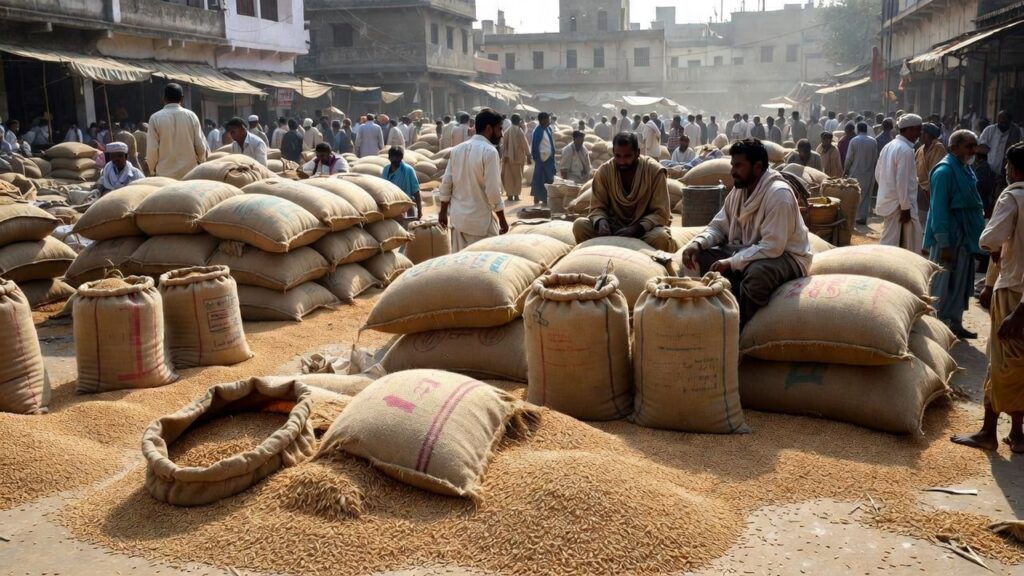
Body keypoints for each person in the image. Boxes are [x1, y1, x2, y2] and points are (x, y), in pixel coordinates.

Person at [681, 139, 812, 325]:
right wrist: (698, 243)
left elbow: (772, 247)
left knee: (757, 274)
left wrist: (731, 262)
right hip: (746, 250)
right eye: (732, 165)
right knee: (698, 257)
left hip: (786, 256)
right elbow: (718, 226)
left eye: (739, 166)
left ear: (758, 167)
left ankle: (739, 329)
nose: (732, 171)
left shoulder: (778, 195)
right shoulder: (738, 191)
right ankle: (706, 316)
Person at [951, 142, 1024, 453]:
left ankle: (988, 431)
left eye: (1008, 167)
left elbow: (988, 238)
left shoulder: (1014, 196)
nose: (1006, 172)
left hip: (1015, 292)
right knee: (1019, 364)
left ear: (1014, 169)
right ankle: (1017, 435)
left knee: (1002, 363)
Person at [923, 130, 985, 339]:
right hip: (949, 237)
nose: (973, 150)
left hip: (964, 237)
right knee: (943, 281)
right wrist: (945, 243)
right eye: (968, 146)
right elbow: (938, 209)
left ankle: (954, 322)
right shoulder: (945, 171)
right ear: (954, 147)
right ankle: (935, 326)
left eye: (974, 145)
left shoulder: (965, 169)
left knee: (960, 281)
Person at [572, 132, 676, 253]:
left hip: (643, 231)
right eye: (618, 156)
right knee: (580, 226)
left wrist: (637, 228)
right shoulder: (604, 171)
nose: (622, 161)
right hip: (613, 228)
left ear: (637, 153)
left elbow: (661, 213)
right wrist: (601, 221)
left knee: (661, 237)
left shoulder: (654, 171)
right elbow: (597, 207)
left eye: (627, 156)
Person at [438, 109, 509, 251]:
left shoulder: (457, 150)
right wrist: (502, 219)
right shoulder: (490, 152)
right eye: (499, 129)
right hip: (480, 223)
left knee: (461, 267)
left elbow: (446, 184)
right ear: (489, 128)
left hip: (458, 221)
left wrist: (443, 212)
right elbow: (493, 192)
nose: (501, 134)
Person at [876, 113, 924, 253]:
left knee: (894, 241)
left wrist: (888, 190)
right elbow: (901, 182)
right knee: (895, 245)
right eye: (917, 129)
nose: (919, 134)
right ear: (908, 130)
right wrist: (904, 208)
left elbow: (878, 174)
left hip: (893, 201)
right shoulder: (905, 150)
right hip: (900, 205)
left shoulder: (890, 146)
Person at [146, 83, 206, 179]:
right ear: (182, 98)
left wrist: (152, 170)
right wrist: (201, 162)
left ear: (164, 98)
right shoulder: (191, 116)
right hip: (189, 173)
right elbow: (200, 146)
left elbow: (152, 150)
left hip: (165, 175)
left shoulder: (155, 118)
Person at [845, 122, 879, 225]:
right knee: (866, 195)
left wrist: (845, 170)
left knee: (853, 195)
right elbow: (875, 158)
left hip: (855, 173)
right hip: (869, 173)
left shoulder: (854, 141)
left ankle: (853, 217)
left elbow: (848, 158)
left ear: (857, 129)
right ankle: (863, 217)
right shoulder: (873, 142)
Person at [979, 110, 1022, 188]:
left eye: (1004, 121)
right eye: (1000, 120)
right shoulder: (989, 130)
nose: (1001, 123)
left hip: (1005, 174)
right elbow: (982, 148)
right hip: (988, 172)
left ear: (1010, 122)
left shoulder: (1015, 132)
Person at [916, 123, 947, 226]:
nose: (918, 134)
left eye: (921, 132)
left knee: (926, 222)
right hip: (919, 190)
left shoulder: (938, 148)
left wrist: (927, 189)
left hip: (930, 191)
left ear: (927, 134)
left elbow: (936, 171)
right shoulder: (920, 149)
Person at [382, 146, 421, 219]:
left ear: (401, 158)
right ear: (389, 158)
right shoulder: (386, 170)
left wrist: (420, 210)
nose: (396, 161)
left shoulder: (408, 170)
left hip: (406, 208)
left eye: (398, 158)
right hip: (390, 208)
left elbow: (416, 192)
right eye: (393, 158)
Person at [500, 114, 529, 201]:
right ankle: (516, 195)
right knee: (518, 177)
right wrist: (528, 154)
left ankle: (509, 195)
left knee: (508, 177)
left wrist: (503, 155)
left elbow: (503, 145)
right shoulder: (519, 131)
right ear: (519, 121)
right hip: (518, 159)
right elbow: (524, 144)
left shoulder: (507, 131)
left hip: (508, 158)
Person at [530, 112, 556, 206]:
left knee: (549, 179)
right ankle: (537, 198)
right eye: (547, 119)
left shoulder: (548, 129)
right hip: (541, 160)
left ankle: (546, 198)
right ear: (542, 120)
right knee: (539, 179)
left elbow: (550, 143)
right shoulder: (538, 131)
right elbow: (535, 146)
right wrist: (537, 158)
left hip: (549, 160)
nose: (549, 121)